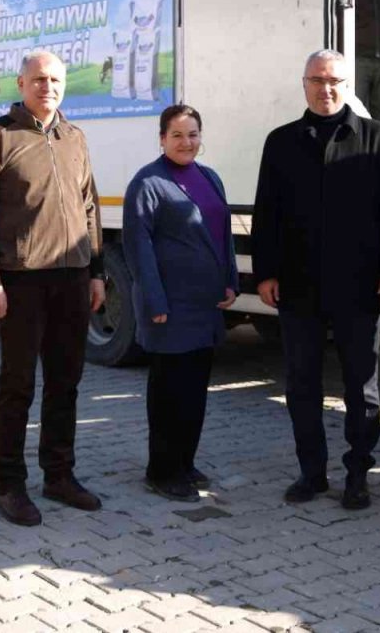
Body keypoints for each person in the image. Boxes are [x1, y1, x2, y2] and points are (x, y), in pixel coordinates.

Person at [252, 50, 380, 510]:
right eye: (317, 80)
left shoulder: (378, 140)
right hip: (298, 286)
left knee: (361, 385)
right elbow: (268, 213)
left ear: (348, 86)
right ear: (304, 84)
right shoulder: (280, 142)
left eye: (335, 81)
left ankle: (358, 474)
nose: (326, 89)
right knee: (302, 383)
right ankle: (312, 473)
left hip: (360, 286)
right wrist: (265, 272)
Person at [0, 50, 106, 527]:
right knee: (17, 385)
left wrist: (96, 271)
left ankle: (59, 475)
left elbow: (90, 206)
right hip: (21, 280)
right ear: (21, 83)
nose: (48, 87)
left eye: (56, 80)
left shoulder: (75, 137)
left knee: (66, 381)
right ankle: (9, 484)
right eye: (39, 79)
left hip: (71, 277)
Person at [122, 105, 240, 502]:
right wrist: (153, 299)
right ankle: (162, 470)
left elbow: (223, 235)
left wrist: (230, 280)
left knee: (195, 390)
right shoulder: (148, 182)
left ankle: (185, 462)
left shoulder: (210, 177)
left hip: (204, 304)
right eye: (177, 135)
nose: (186, 142)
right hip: (169, 307)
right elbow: (138, 248)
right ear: (161, 138)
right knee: (169, 392)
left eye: (192, 134)